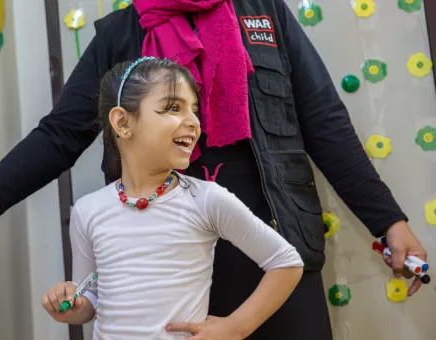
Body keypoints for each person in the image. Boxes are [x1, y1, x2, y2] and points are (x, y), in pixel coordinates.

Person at [0, 0, 427, 338]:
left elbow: (325, 122)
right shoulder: (117, 34)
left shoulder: (263, 11)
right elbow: (62, 133)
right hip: (160, 265)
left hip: (273, 251)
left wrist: (389, 220)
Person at [41, 56, 304, 339]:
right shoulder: (87, 210)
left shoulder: (205, 200)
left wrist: (235, 327)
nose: (193, 122)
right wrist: (73, 305)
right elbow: (90, 297)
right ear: (122, 122)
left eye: (194, 110)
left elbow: (286, 262)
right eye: (173, 108)